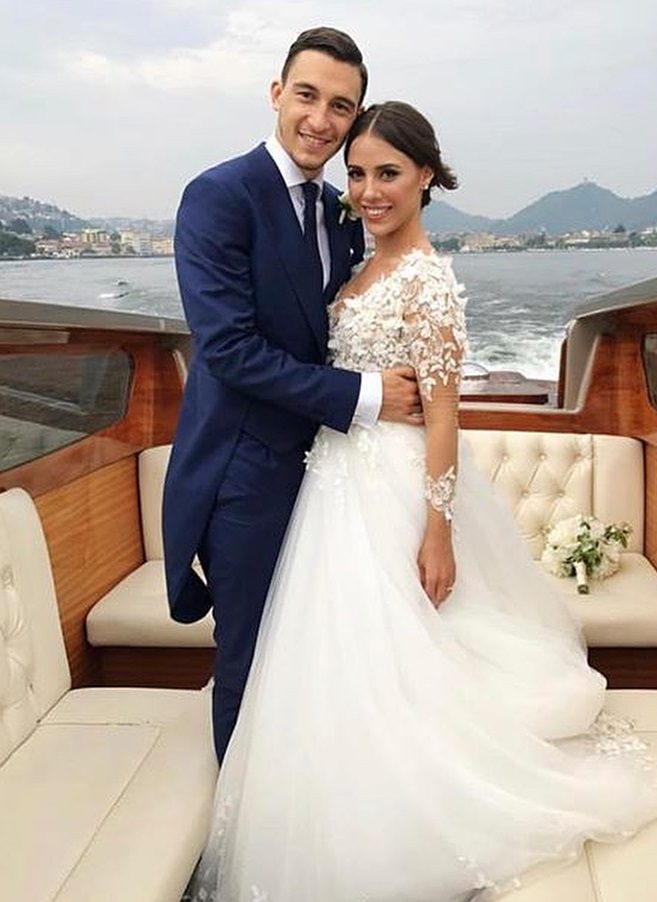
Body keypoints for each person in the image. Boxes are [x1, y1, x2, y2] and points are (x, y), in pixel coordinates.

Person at [189, 100, 657, 901]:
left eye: (388, 173)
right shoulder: (357, 263)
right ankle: (332, 809)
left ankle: (404, 817)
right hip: (331, 479)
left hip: (394, 485)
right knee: (336, 655)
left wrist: (438, 529)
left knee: (403, 654)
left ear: (426, 176)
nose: (368, 191)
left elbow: (445, 414)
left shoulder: (427, 281)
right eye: (357, 173)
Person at [162, 28, 422, 763]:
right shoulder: (219, 196)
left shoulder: (343, 211)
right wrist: (367, 397)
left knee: (321, 653)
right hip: (245, 473)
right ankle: (237, 824)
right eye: (307, 95)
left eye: (341, 106)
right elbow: (228, 349)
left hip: (332, 477)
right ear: (277, 93)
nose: (320, 119)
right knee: (249, 658)